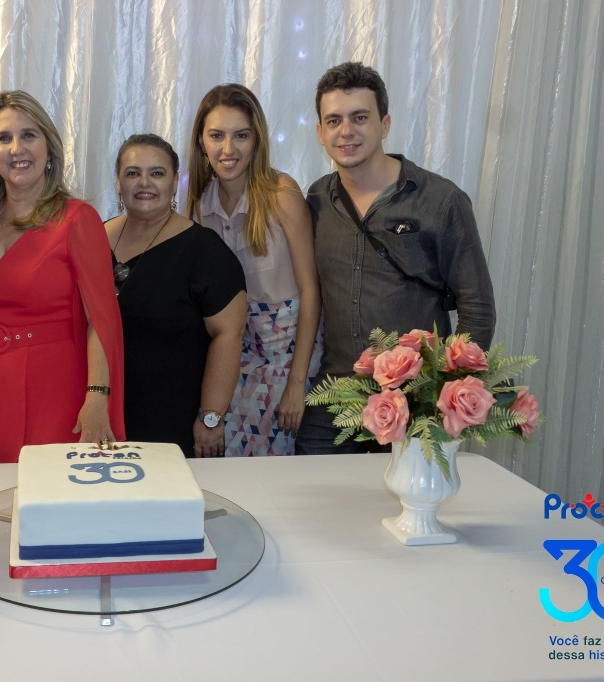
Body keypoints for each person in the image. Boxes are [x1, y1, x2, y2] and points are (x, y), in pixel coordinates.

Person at [297, 61, 496, 455]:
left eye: (359, 117)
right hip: (335, 399)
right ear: (320, 132)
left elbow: (477, 309)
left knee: (408, 497)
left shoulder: (440, 201)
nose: (346, 130)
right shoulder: (317, 199)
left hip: (415, 405)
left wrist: (446, 395)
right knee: (309, 491)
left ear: (384, 124)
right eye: (334, 120)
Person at [0, 91, 124, 463]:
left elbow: (101, 319)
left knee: (49, 489)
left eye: (29, 135)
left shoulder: (77, 219)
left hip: (54, 386)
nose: (17, 148)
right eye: (4, 138)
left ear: (48, 147)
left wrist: (98, 397)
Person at [186, 84, 321, 457]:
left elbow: (312, 291)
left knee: (275, 475)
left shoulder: (282, 193)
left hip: (288, 360)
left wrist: (297, 384)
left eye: (241, 136)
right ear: (201, 142)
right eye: (217, 136)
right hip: (232, 358)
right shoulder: (198, 204)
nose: (228, 149)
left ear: (257, 140)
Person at [107, 134, 246, 457]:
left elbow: (228, 336)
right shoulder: (94, 238)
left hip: (173, 420)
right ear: (118, 182)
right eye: (132, 173)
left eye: (157, 173)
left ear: (174, 183)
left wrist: (210, 417)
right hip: (104, 414)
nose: (144, 182)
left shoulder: (204, 250)